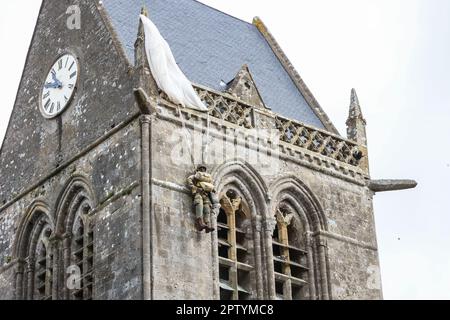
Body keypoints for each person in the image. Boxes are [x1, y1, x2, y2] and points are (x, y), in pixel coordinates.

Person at [187, 165, 219, 233]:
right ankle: (200, 222)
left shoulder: (207, 178)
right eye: (201, 168)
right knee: (199, 204)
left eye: (204, 169)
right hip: (199, 193)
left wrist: (213, 189)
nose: (202, 170)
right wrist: (195, 188)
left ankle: (207, 224)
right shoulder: (196, 175)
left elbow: (210, 185)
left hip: (206, 194)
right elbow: (189, 179)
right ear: (198, 169)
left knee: (207, 207)